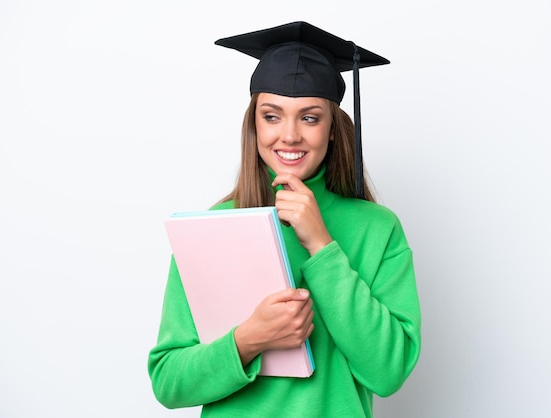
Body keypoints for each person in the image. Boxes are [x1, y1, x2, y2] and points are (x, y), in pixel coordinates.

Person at [148, 21, 421, 417]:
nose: (289, 135)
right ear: (254, 125)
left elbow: (388, 372)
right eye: (272, 116)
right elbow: (168, 382)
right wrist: (247, 341)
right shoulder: (214, 226)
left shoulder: (378, 229)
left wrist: (321, 247)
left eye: (309, 118)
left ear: (331, 130)